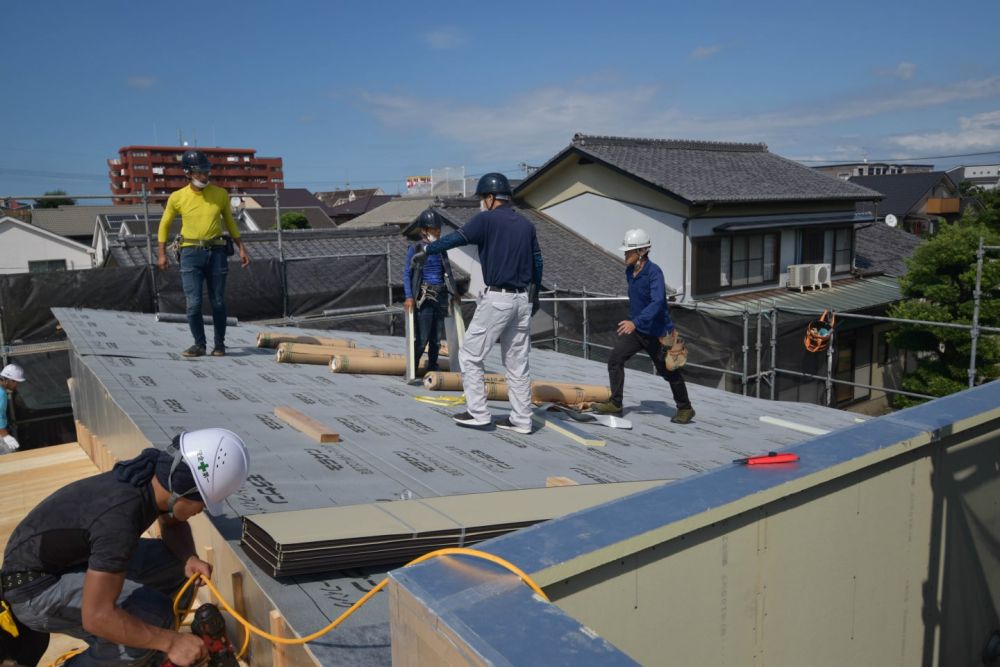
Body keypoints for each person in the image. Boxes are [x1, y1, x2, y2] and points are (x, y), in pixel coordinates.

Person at [0, 428, 250, 666]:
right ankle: (128, 653)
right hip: (33, 590)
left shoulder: (152, 475)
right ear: (182, 492)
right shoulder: (118, 519)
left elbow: (171, 522)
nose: (202, 510)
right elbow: (97, 616)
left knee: (175, 564)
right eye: (203, 503)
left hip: (63, 563)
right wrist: (171, 641)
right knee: (150, 618)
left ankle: (143, 654)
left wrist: (189, 557)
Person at [420, 173, 543, 434]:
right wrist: (536, 296)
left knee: (470, 356)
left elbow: (456, 238)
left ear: (490, 197)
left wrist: (429, 249)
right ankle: (522, 420)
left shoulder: (486, 219)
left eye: (482, 198)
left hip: (498, 299)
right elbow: (538, 263)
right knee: (517, 365)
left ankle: (478, 414)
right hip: (522, 299)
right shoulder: (526, 225)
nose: (481, 203)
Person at [593, 229, 695, 424]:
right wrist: (636, 323)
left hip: (658, 334)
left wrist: (635, 322)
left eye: (628, 251)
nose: (624, 255)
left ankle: (685, 408)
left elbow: (657, 303)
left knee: (669, 372)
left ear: (641, 252)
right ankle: (616, 403)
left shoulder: (654, 272)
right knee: (615, 359)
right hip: (639, 331)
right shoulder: (629, 271)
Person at [157, 150, 250, 358]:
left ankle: (220, 345)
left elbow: (230, 222)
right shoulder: (177, 197)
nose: (204, 176)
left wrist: (242, 247)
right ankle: (199, 344)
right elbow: (164, 224)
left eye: (206, 171)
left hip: (216, 251)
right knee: (194, 302)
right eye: (199, 172)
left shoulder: (220, 194)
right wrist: (161, 252)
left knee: (218, 300)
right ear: (188, 173)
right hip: (190, 251)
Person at [403, 209, 459, 372]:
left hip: (440, 296)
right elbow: (407, 273)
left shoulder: (441, 249)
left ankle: (433, 368)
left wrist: (454, 292)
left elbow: (448, 272)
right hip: (424, 297)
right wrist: (408, 296)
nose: (438, 231)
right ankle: (412, 369)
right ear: (424, 231)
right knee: (422, 337)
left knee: (436, 339)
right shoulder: (416, 248)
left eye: (438, 228)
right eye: (434, 228)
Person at [0, 364, 25, 454]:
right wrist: (5, 435)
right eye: (15, 382)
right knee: (9, 453)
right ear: (8, 380)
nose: (16, 385)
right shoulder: (1, 393)